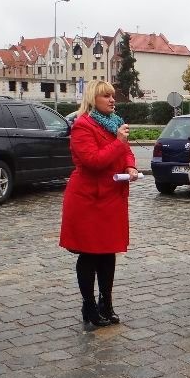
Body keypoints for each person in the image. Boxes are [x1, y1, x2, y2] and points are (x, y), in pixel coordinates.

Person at [59, 80, 138, 325]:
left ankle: (107, 302)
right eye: (106, 96)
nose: (112, 100)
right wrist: (119, 143)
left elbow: (126, 151)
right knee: (90, 254)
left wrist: (131, 165)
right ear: (94, 99)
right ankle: (89, 305)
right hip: (89, 198)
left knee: (108, 253)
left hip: (111, 195)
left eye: (113, 96)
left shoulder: (115, 122)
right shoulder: (83, 126)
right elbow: (93, 161)